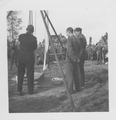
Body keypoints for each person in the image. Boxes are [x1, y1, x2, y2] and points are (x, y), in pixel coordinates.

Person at [17, 24, 37, 95]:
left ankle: (19, 90)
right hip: (29, 58)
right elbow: (35, 48)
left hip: (21, 58)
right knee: (30, 74)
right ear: (32, 31)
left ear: (26, 29)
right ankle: (30, 91)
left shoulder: (21, 36)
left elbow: (19, 41)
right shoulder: (34, 38)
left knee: (20, 74)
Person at [65, 27, 82, 94]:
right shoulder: (77, 39)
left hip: (70, 60)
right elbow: (81, 50)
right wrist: (77, 58)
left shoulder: (70, 38)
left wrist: (74, 59)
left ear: (68, 32)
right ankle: (78, 88)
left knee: (69, 76)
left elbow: (70, 51)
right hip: (76, 59)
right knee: (76, 75)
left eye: (66, 32)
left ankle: (70, 91)